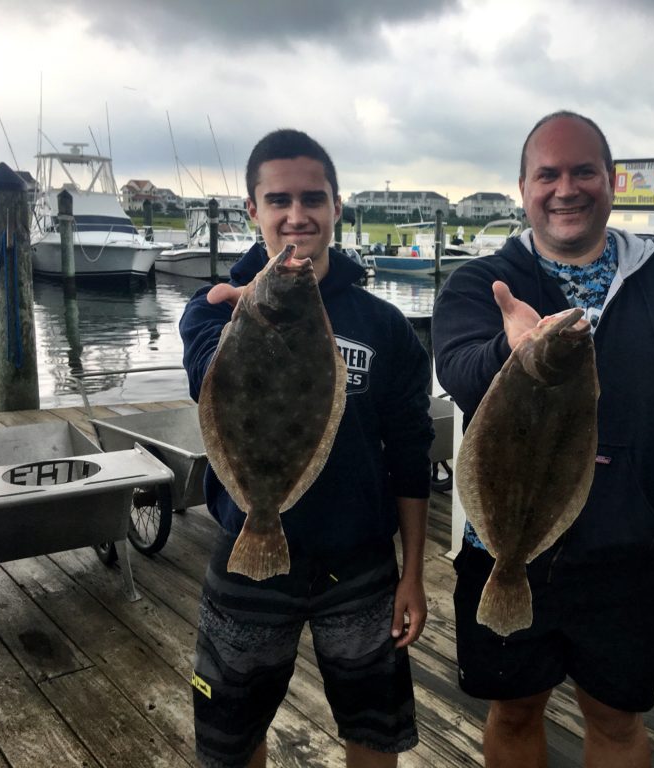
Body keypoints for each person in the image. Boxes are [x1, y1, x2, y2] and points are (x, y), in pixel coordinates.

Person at [432, 111, 654, 767]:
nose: (566, 188)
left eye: (584, 171)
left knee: (615, 720)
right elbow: (458, 370)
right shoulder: (481, 284)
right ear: (523, 188)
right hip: (503, 546)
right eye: (547, 174)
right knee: (514, 709)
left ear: (611, 182)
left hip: (624, 556)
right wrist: (510, 348)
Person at [180, 128, 433, 768]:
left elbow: (410, 451)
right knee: (230, 736)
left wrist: (413, 574)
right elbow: (206, 374)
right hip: (247, 548)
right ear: (252, 211)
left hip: (361, 565)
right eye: (279, 200)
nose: (298, 215)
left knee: (374, 732)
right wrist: (246, 328)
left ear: (337, 206)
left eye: (313, 198)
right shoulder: (212, 310)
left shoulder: (386, 326)